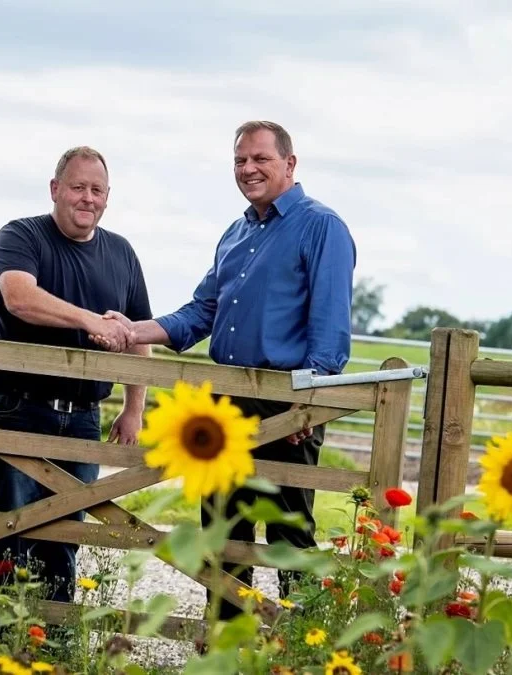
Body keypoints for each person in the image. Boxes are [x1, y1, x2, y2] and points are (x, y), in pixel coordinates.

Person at [98, 120, 356, 617]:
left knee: (288, 530)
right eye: (240, 160)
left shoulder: (321, 226)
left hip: (285, 400)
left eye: (260, 158)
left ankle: (301, 648)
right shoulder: (236, 234)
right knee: (221, 525)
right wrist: (135, 330)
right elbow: (202, 313)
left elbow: (330, 328)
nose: (248, 168)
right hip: (225, 400)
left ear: (290, 163)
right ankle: (225, 640)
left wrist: (308, 404)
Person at [0, 146, 152, 602]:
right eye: (78, 187)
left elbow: (137, 334)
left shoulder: (122, 253)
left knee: (66, 534)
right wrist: (90, 320)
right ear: (55, 189)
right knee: (9, 528)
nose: (87, 198)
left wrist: (134, 409)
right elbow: (19, 298)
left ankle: (53, 642)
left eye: (97, 190)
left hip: (83, 416)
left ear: (108, 198)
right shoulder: (21, 236)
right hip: (19, 405)